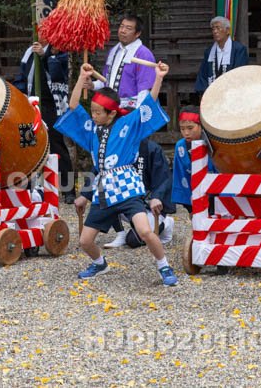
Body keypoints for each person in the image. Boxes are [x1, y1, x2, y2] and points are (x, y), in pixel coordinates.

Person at [57, 61, 178, 286]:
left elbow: (147, 103)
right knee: (85, 241)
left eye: (96, 112)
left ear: (111, 113)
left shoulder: (128, 125)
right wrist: (81, 80)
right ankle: (100, 264)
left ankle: (164, 266)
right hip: (103, 189)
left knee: (145, 231)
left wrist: (158, 78)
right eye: (91, 111)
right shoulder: (92, 130)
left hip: (127, 188)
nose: (92, 115)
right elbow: (73, 107)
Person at [14, 38, 74, 204]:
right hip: (30, 104)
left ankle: (68, 189)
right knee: (28, 145)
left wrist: (45, 55)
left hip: (50, 104)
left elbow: (57, 74)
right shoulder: (29, 51)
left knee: (56, 145)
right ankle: (28, 187)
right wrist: (19, 95)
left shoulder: (59, 49)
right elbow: (22, 76)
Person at [117, 139, 176, 248]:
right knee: (106, 202)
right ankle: (119, 233)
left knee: (134, 240)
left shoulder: (152, 148)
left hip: (151, 207)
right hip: (130, 203)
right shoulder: (118, 147)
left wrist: (156, 197)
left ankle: (165, 223)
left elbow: (163, 178)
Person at [93, 13, 156, 108]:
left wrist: (138, 115)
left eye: (128, 28)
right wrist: (91, 85)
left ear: (137, 34)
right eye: (121, 27)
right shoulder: (113, 51)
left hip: (131, 108)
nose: (123, 31)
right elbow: (106, 81)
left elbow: (145, 89)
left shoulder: (144, 54)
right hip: (110, 107)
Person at [170, 106, 211, 212]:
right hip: (192, 190)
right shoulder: (180, 146)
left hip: (214, 189)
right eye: (182, 129)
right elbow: (180, 173)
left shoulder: (211, 143)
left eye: (190, 128)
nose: (186, 133)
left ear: (200, 126)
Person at [194, 16, 249, 94]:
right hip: (212, 93)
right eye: (213, 29)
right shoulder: (209, 51)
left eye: (218, 28)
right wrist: (205, 92)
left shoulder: (238, 49)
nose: (215, 31)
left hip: (232, 92)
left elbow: (240, 73)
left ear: (227, 31)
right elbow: (203, 74)